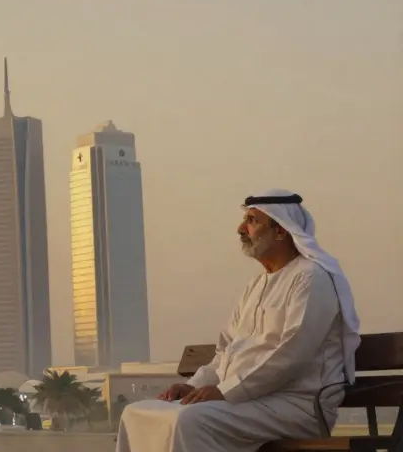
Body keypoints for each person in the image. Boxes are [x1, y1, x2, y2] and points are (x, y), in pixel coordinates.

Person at [117, 190, 359, 452]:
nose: (240, 229)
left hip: (296, 405)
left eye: (252, 221)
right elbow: (226, 353)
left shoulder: (312, 279)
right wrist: (192, 386)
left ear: (281, 231)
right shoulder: (255, 286)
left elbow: (292, 356)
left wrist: (226, 392)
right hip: (246, 400)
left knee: (190, 421)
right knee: (135, 414)